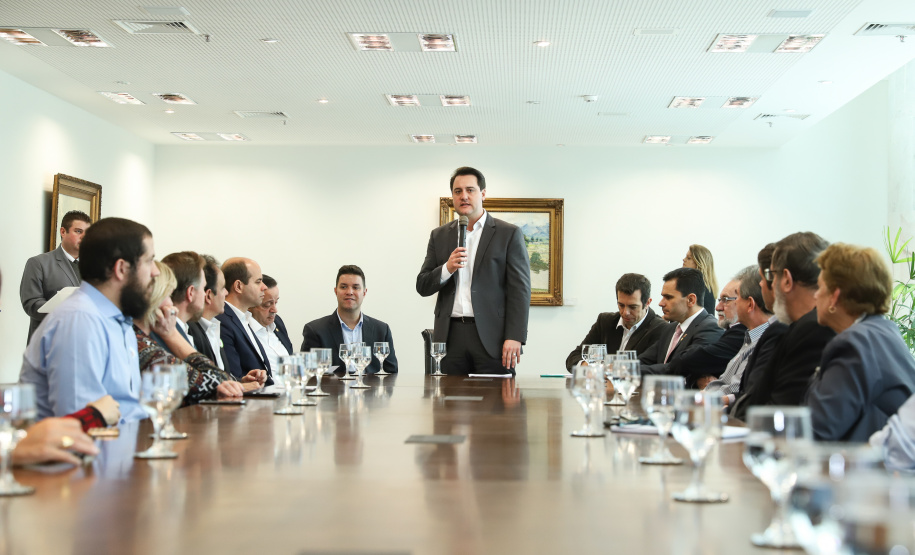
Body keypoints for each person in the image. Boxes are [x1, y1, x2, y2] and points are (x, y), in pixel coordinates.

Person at [19, 217, 158, 423]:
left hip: (123, 444)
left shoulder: (119, 320)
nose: (155, 271)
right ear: (121, 269)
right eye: (149, 261)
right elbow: (82, 428)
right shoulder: (80, 321)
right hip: (92, 451)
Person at [416, 166, 531, 375]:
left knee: (498, 404)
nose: (464, 196)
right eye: (458, 191)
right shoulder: (439, 235)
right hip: (450, 336)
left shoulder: (508, 234)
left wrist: (515, 335)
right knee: (448, 404)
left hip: (492, 337)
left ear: (483, 194)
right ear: (452, 196)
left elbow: (520, 290)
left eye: (470, 190)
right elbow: (422, 285)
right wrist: (447, 268)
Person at [805, 244, 915, 442]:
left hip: (867, 469)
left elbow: (818, 431)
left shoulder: (854, 344)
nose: (815, 295)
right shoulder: (884, 331)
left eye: (820, 287)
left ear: (834, 296)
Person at [135, 262, 258, 404]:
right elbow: (215, 381)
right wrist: (172, 335)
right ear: (154, 298)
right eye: (169, 295)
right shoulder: (145, 343)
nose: (171, 302)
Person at [740, 232, 836, 410]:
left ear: (786, 280)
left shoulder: (813, 331)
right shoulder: (801, 326)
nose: (767, 284)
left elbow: (780, 412)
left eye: (772, 275)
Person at [729, 244, 790, 420]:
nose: (762, 283)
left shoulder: (779, 331)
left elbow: (756, 397)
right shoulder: (751, 334)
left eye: (766, 277)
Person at [302, 265, 398, 374]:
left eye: (356, 287)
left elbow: (391, 373)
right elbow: (308, 374)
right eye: (343, 287)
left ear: (364, 292)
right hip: (333, 390)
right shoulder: (315, 330)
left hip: (371, 390)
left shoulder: (381, 330)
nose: (349, 292)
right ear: (335, 291)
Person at [565, 273, 668, 371]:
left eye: (633, 307)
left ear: (647, 303)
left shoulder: (661, 329)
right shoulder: (605, 321)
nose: (625, 312)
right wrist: (588, 367)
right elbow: (574, 357)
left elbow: (652, 368)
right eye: (621, 305)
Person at [704, 266, 774, 406]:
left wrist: (701, 399)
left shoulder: (766, 340)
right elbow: (724, 383)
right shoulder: (749, 338)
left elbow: (736, 390)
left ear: (750, 304)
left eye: (735, 299)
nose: (718, 307)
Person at [19, 210, 91, 342]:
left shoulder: (94, 267)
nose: (84, 237)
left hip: (83, 344)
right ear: (63, 232)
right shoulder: (38, 263)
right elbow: (31, 304)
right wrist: (65, 311)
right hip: (48, 345)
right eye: (78, 231)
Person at [639, 268, 723, 378]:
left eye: (668, 297)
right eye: (662, 296)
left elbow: (678, 369)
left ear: (691, 300)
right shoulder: (670, 328)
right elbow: (644, 360)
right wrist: (619, 367)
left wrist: (628, 370)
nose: (661, 303)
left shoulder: (711, 329)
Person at [667, 277, 747, 388]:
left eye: (726, 300)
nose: (718, 307)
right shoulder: (731, 331)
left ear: (748, 303)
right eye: (720, 300)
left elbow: (685, 362)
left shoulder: (740, 333)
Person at [216, 257, 273, 385]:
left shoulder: (244, 318)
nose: (264, 287)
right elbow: (231, 375)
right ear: (238, 286)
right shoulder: (223, 322)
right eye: (258, 282)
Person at [187, 255, 229, 371]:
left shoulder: (213, 326)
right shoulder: (190, 330)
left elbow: (221, 376)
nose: (226, 293)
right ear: (209, 295)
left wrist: (239, 382)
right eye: (223, 288)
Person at [158, 251, 206, 351]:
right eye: (203, 288)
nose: (205, 294)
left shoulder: (187, 329)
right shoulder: (165, 337)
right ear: (191, 293)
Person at [249, 274, 293, 372]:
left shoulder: (277, 322)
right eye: (267, 304)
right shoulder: (244, 331)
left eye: (276, 302)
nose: (274, 310)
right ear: (250, 305)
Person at [683, 244, 718, 314]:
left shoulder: (703, 289)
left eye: (689, 258)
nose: (684, 259)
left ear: (700, 263)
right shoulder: (691, 285)